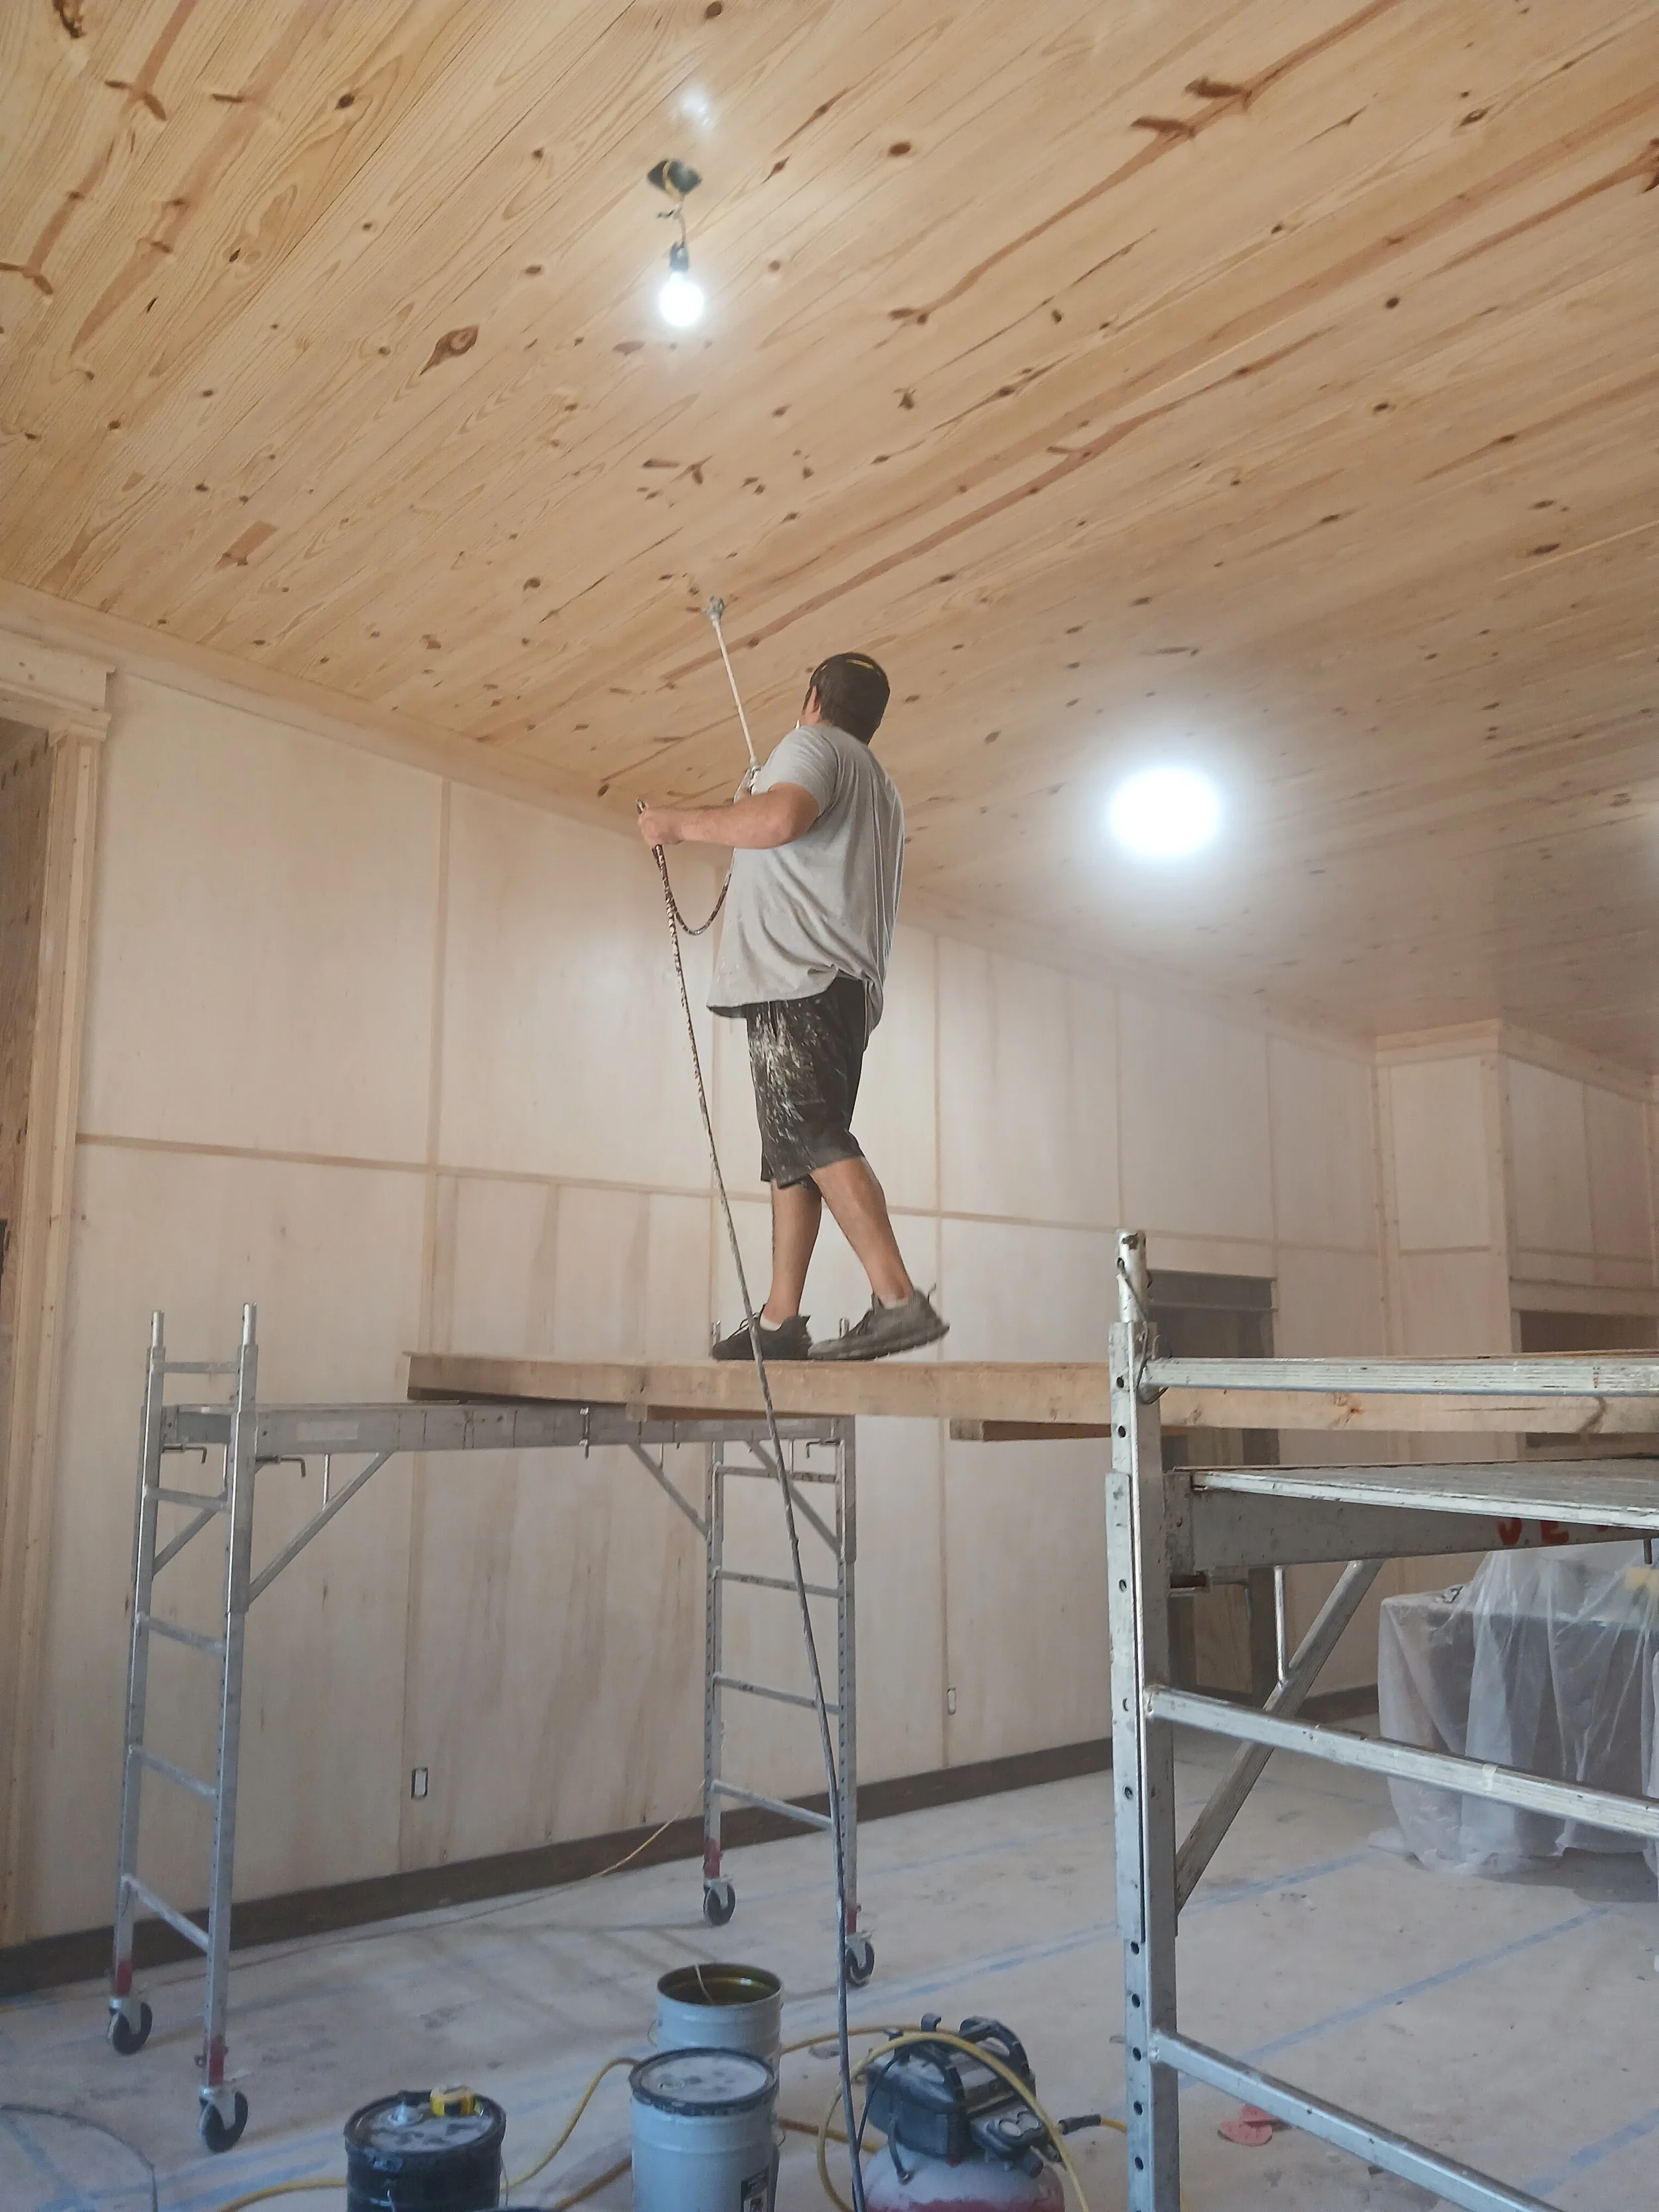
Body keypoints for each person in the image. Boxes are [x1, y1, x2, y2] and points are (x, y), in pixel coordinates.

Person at [637, 651, 948, 1363]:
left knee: (809, 1133)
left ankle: (898, 1300)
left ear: (812, 698)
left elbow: (779, 820)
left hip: (798, 976)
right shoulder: (880, 787)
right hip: (837, 983)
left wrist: (677, 825)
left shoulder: (811, 746)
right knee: (794, 1148)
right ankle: (781, 1320)